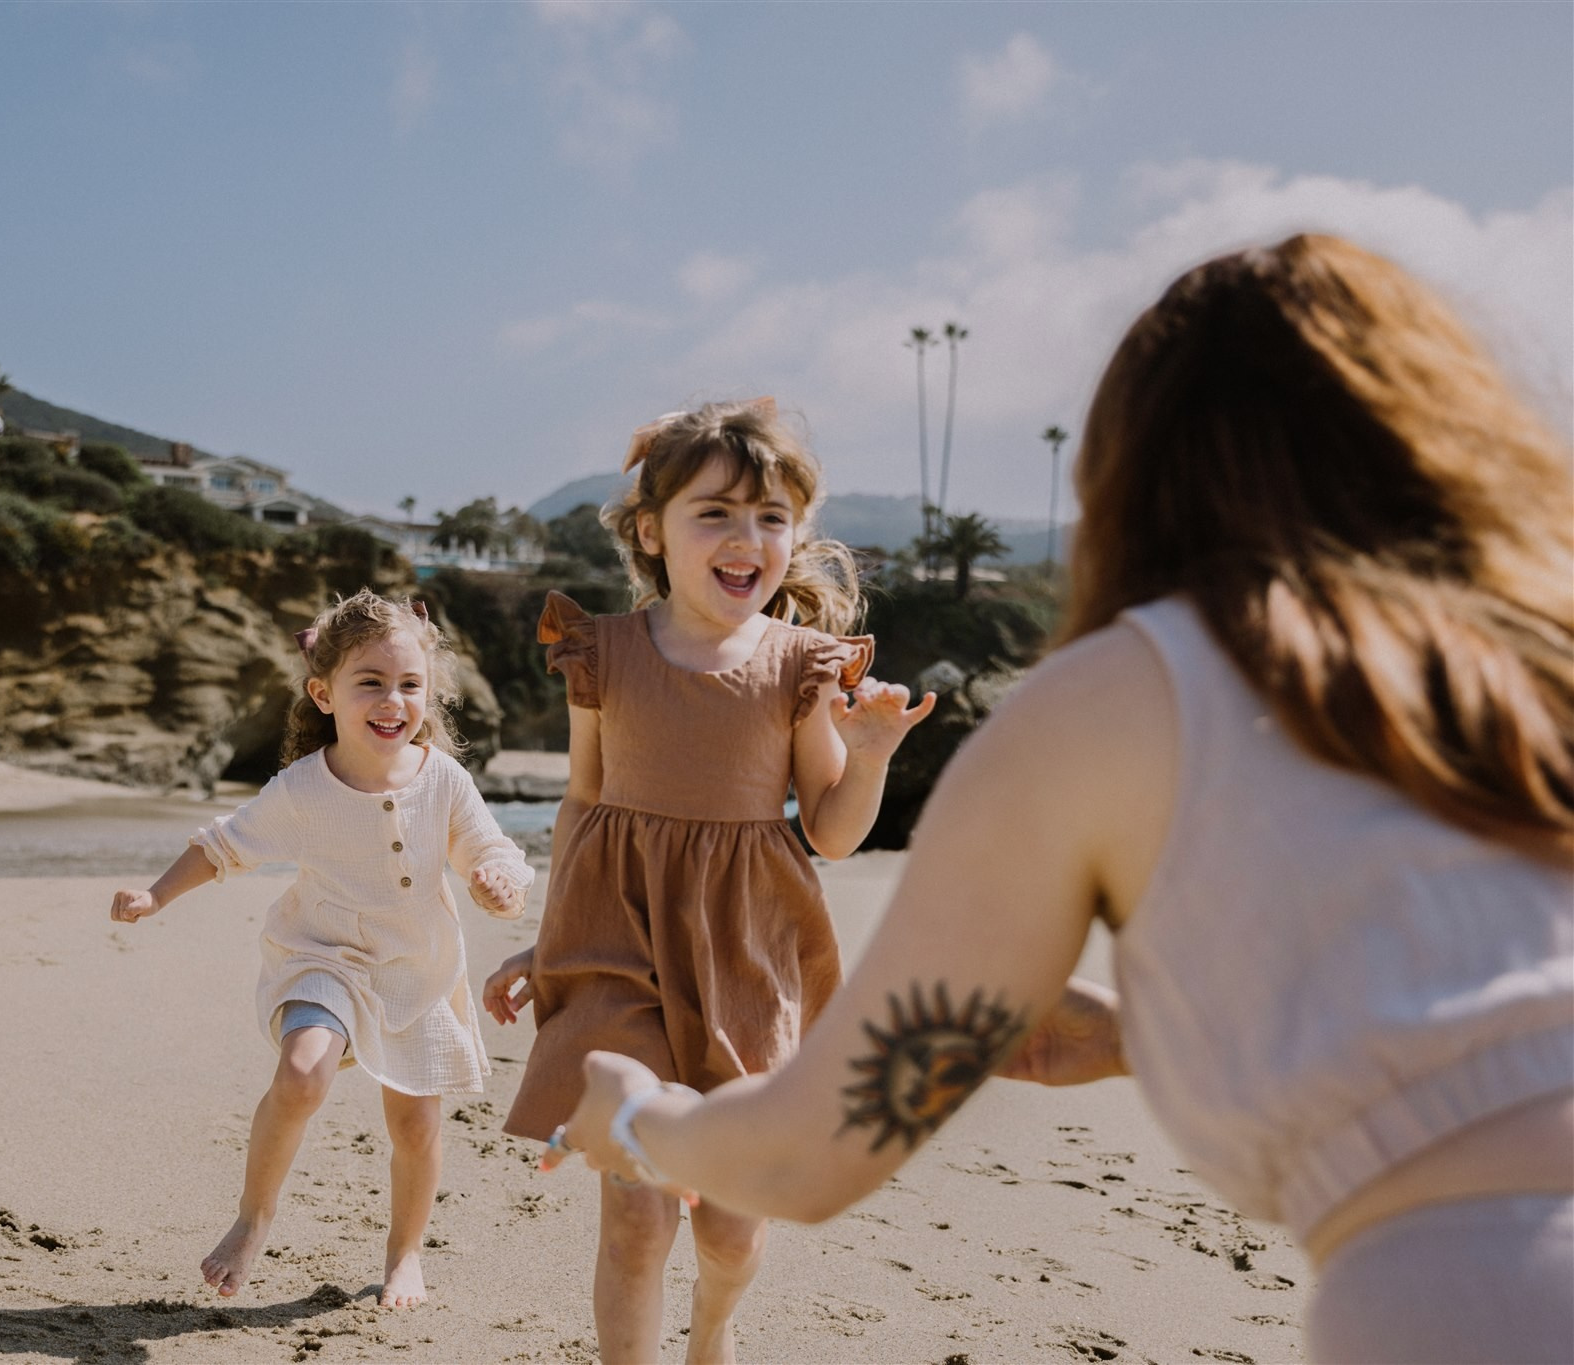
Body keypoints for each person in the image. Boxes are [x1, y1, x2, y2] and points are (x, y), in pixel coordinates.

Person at [547, 236, 1574, 1364]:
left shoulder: (1108, 704)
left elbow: (809, 1155)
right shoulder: (1536, 655)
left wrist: (634, 1120)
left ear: (1136, 473)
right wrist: (1156, 1035)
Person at [480, 397, 937, 1364]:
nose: (746, 538)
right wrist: (548, 937)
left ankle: (714, 1332)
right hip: (616, 947)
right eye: (715, 512)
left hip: (749, 953)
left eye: (771, 517)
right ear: (652, 530)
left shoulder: (800, 663)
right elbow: (584, 804)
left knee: (730, 1231)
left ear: (797, 535)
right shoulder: (601, 650)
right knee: (637, 1214)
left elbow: (831, 834)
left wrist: (870, 754)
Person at [109, 589, 533, 1310]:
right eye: (369, 681)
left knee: (417, 1123)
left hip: (416, 971)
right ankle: (253, 1216)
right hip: (323, 957)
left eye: (408, 684)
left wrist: (502, 886)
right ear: (324, 692)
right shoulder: (304, 787)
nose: (391, 699)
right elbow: (222, 846)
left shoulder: (445, 779)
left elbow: (489, 852)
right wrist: (155, 895)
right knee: (303, 1073)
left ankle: (404, 1255)